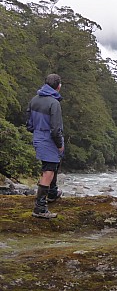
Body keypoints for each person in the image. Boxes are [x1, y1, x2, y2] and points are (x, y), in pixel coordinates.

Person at [26, 74, 64, 219]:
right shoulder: (54, 103)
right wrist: (59, 144)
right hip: (49, 139)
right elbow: (55, 129)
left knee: (53, 165)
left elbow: (28, 123)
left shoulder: (34, 99)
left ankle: (53, 194)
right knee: (48, 170)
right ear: (58, 86)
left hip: (38, 136)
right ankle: (40, 208)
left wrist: (37, 131)